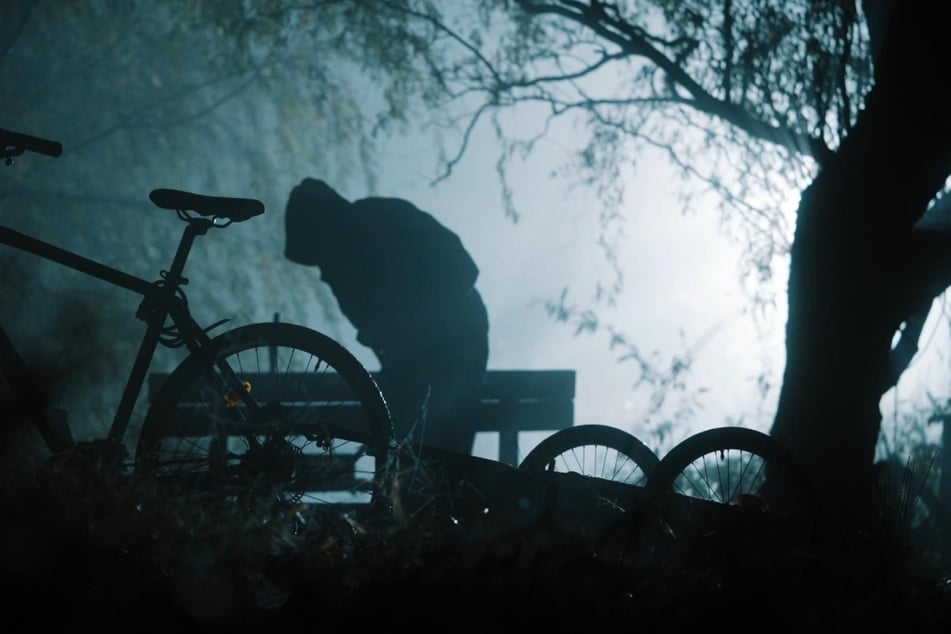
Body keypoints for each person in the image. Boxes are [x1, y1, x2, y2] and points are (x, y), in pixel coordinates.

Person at [283, 178, 489, 455]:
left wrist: (415, 331)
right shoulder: (344, 261)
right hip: (421, 360)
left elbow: (462, 269)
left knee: (438, 452)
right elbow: (376, 331)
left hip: (454, 346)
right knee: (408, 452)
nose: (323, 272)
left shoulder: (381, 222)